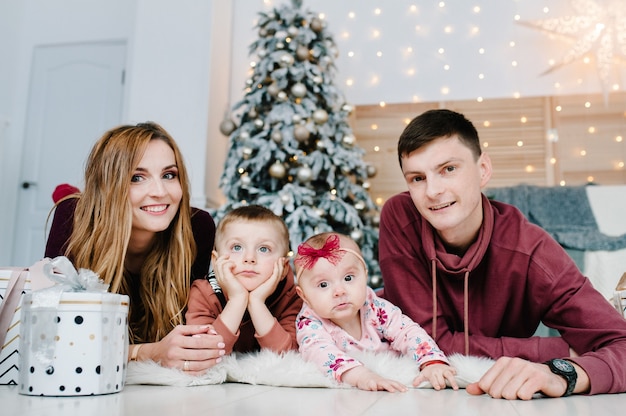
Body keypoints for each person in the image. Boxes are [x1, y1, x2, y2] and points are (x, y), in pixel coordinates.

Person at [378, 108, 626, 400]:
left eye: (449, 169)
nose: (432, 191)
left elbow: (620, 342)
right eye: (417, 178)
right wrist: (558, 350)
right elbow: (427, 342)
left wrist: (562, 373)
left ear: (483, 170)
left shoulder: (532, 251)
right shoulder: (400, 217)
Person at [45, 122, 223, 375]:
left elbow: (194, 327)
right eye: (136, 178)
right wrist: (146, 353)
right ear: (108, 186)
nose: (160, 192)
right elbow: (54, 337)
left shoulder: (197, 227)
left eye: (169, 175)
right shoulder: (73, 218)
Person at [294, 232, 458, 392]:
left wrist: (431, 362)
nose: (339, 291)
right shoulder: (310, 322)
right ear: (304, 296)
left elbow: (406, 331)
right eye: (323, 285)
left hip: (397, 382)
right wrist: (361, 376)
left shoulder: (374, 306)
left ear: (364, 277)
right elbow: (318, 352)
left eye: (348, 278)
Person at [186, 204, 302, 355]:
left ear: (284, 267)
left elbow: (289, 358)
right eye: (237, 247)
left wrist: (257, 302)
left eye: (264, 249)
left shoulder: (292, 297)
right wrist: (237, 299)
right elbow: (202, 353)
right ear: (216, 260)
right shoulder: (203, 293)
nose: (249, 258)